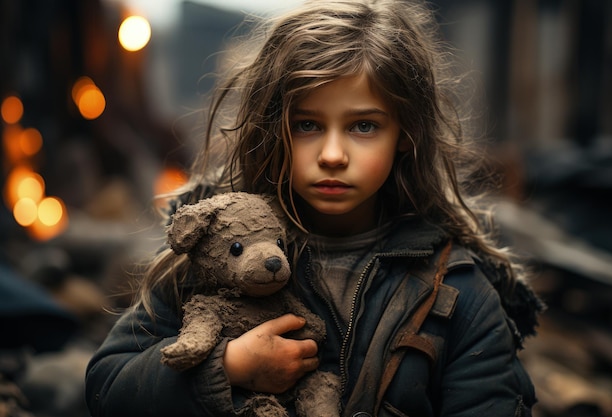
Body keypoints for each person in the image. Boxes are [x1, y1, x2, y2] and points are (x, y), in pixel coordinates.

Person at [85, 0, 544, 416]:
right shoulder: (221, 256)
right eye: (307, 124)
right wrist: (228, 367)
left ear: (405, 133)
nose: (331, 155)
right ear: (273, 127)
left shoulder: (456, 290)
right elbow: (108, 388)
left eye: (363, 126)